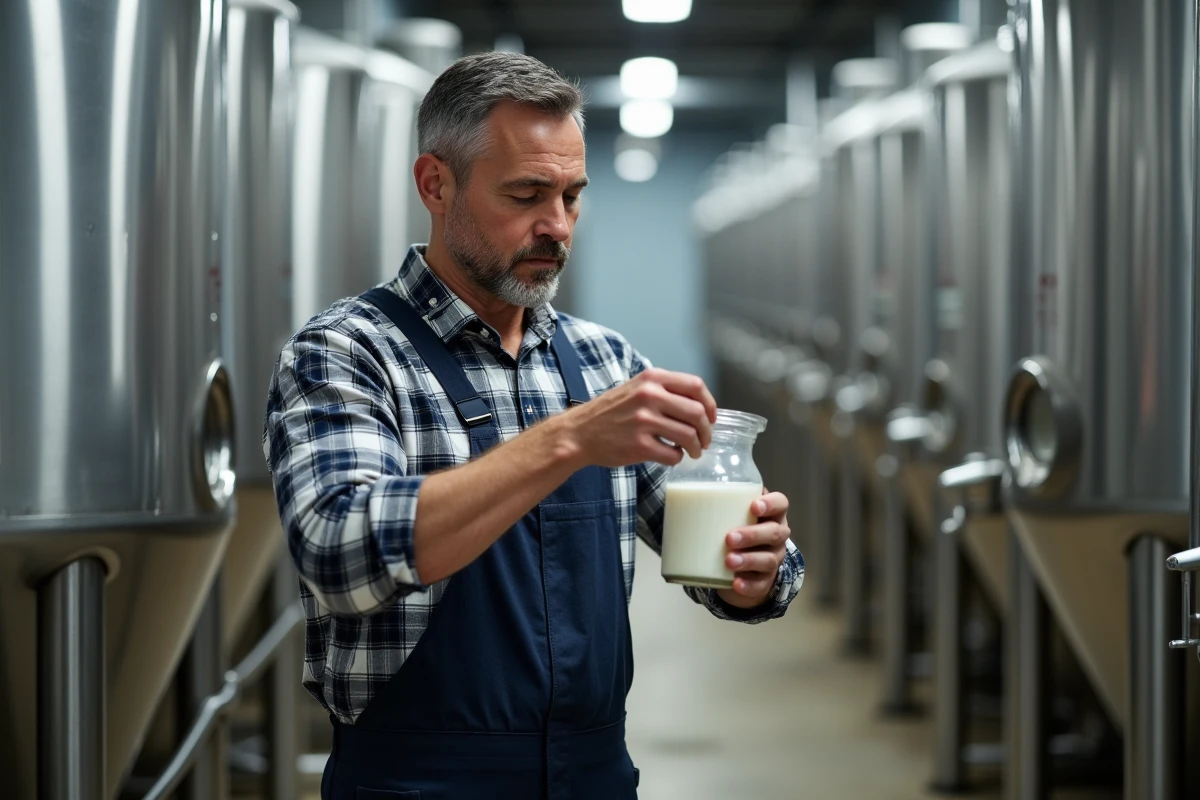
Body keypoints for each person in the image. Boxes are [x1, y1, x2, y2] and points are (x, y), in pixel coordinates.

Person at [264, 50, 804, 800]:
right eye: (526, 195)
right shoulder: (349, 353)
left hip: (594, 774)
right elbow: (339, 554)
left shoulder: (604, 362)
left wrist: (755, 571)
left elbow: (715, 562)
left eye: (573, 196)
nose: (557, 226)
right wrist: (567, 440)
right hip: (418, 780)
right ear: (436, 184)